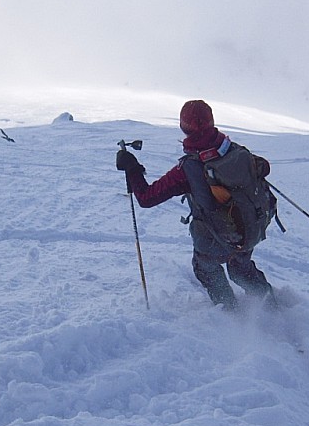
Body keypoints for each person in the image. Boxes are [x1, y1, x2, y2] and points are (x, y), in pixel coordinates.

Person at [116, 99, 276, 310]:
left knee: (204, 267)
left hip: (216, 237)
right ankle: (271, 305)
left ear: (184, 127)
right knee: (240, 268)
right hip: (249, 228)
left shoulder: (188, 169)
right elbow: (263, 168)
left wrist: (132, 169)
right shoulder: (233, 149)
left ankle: (231, 313)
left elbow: (147, 198)